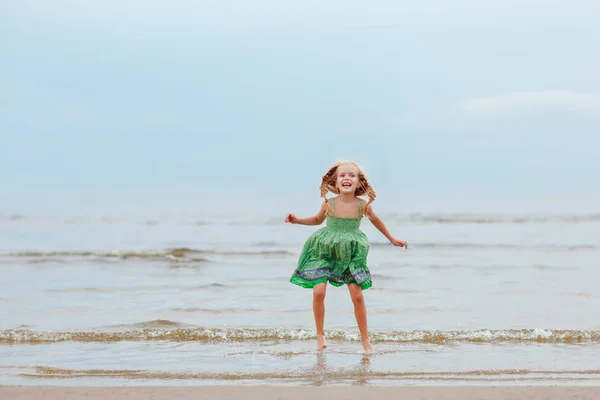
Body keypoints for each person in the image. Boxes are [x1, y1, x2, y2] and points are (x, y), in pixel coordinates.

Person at [285, 160, 408, 353]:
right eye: (342, 175)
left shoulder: (363, 206)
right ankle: (320, 335)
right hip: (324, 249)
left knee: (357, 296)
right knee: (318, 292)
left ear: (359, 182)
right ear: (335, 181)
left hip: (351, 251)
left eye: (352, 175)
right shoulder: (329, 203)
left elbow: (377, 221)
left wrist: (392, 239)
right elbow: (317, 220)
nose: (347, 178)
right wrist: (297, 220)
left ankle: (366, 341)